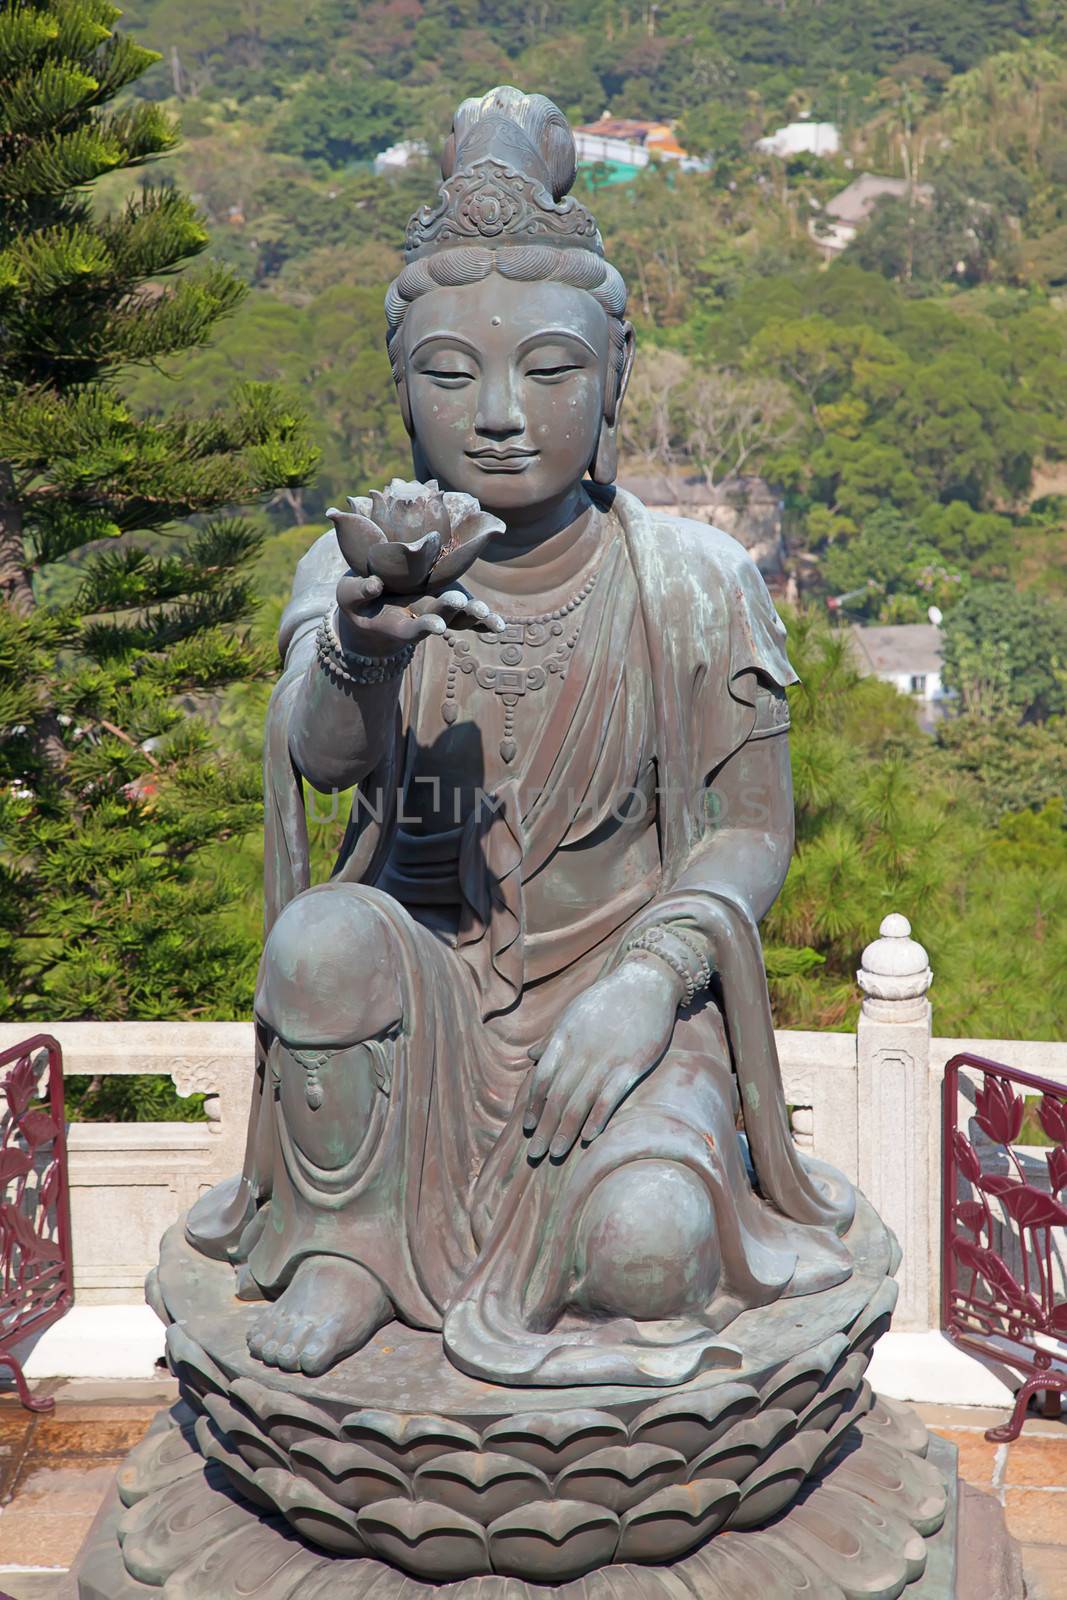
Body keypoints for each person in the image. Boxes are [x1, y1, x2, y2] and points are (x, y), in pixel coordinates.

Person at [186, 85, 854, 1386]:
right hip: (422, 994)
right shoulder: (362, 568)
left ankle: (622, 1192)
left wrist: (650, 983)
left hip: (620, 992)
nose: (499, 409)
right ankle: (350, 1245)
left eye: (547, 371)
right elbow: (320, 759)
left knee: (650, 1253)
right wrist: (364, 648)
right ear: (403, 398)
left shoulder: (695, 579)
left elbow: (752, 831)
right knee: (322, 934)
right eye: (451, 373)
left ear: (611, 385)